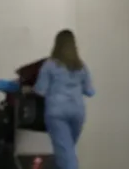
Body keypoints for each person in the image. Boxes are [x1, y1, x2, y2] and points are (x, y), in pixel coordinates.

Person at [33, 30, 94, 169]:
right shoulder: (81, 67)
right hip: (77, 112)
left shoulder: (50, 65)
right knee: (66, 151)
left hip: (57, 113)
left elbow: (40, 90)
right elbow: (90, 91)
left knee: (65, 153)